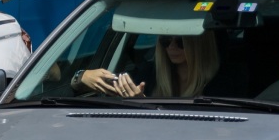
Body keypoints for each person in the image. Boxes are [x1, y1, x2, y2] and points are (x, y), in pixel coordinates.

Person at [72, 33, 223, 98]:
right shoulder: (150, 74)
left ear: (199, 46)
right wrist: (82, 77)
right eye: (165, 40)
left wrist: (144, 103)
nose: (171, 47)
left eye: (181, 42)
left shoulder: (222, 83)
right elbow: (112, 84)